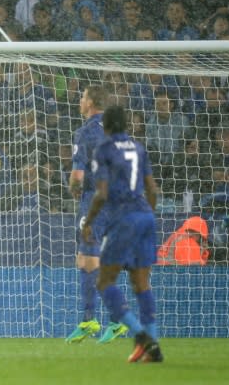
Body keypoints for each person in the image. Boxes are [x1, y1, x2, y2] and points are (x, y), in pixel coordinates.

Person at [82, 105, 163, 363]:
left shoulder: (103, 149)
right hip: (145, 216)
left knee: (104, 282)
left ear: (105, 125)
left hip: (123, 217)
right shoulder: (139, 148)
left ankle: (141, 336)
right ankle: (154, 347)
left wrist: (89, 222)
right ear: (126, 125)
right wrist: (146, 217)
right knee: (141, 283)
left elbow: (102, 193)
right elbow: (153, 191)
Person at [65, 86, 127, 345]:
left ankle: (107, 320)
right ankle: (97, 320)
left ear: (90, 102)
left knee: (89, 260)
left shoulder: (85, 132)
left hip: (95, 202)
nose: (80, 101)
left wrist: (73, 190)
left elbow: (78, 177)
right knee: (87, 259)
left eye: (82, 97)